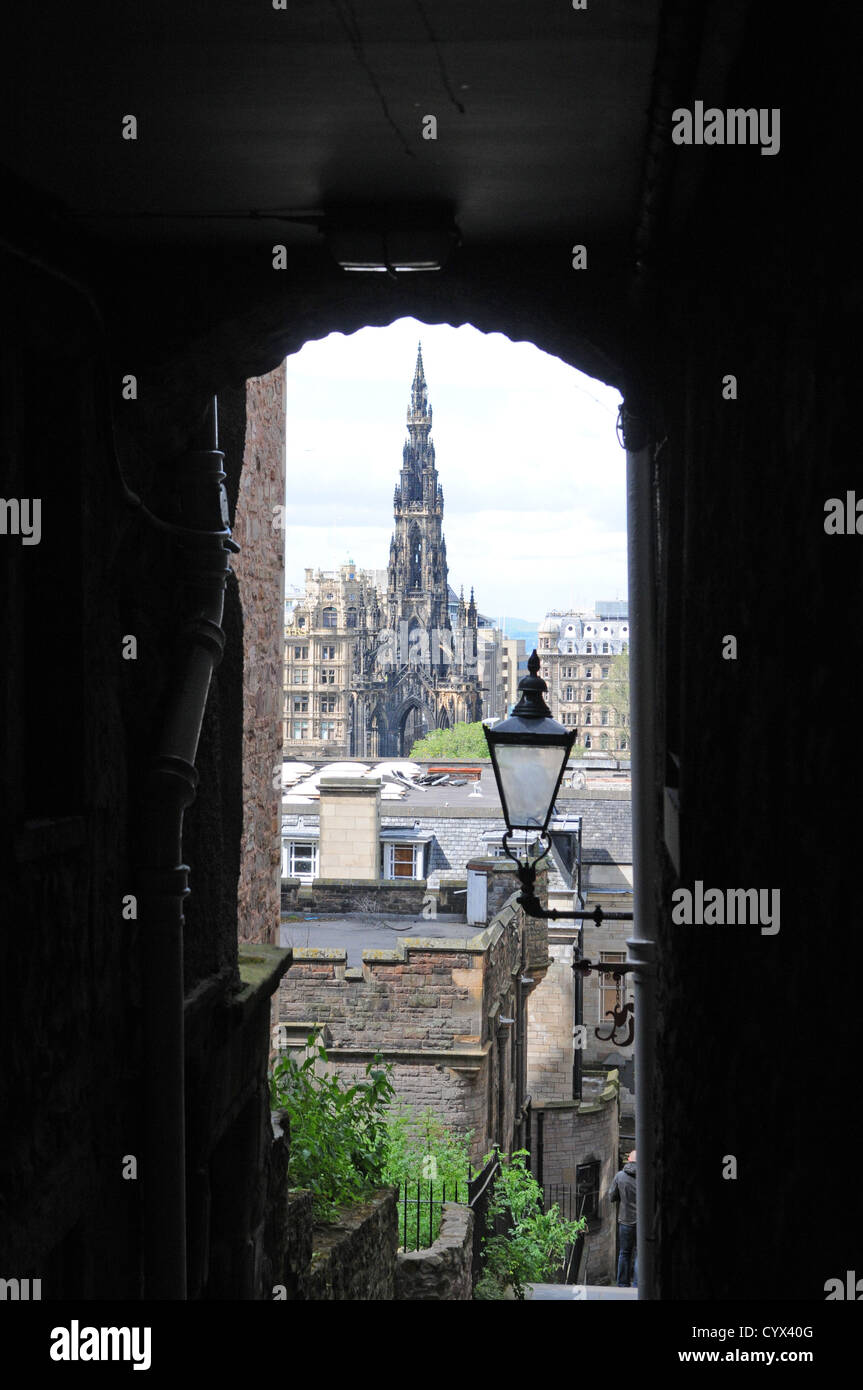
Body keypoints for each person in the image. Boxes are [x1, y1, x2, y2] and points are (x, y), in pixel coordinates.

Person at [609, 1149, 637, 1287]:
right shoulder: (647, 1175)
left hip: (625, 1220)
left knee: (624, 1253)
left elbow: (611, 1197)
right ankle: (638, 1285)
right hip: (643, 1222)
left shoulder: (620, 1176)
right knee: (640, 1255)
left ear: (629, 1160)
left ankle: (622, 1285)